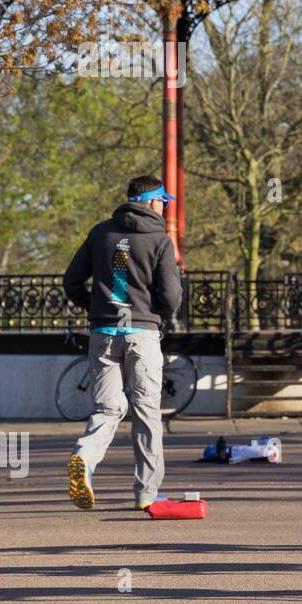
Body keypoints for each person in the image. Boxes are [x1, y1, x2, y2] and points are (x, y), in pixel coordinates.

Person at [62, 175, 183, 511]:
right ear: (151, 201)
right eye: (163, 201)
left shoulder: (100, 233)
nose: (165, 207)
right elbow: (171, 297)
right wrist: (154, 313)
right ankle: (146, 494)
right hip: (141, 334)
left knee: (107, 408)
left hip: (103, 332)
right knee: (146, 413)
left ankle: (84, 458)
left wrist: (96, 308)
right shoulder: (159, 240)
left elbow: (72, 282)